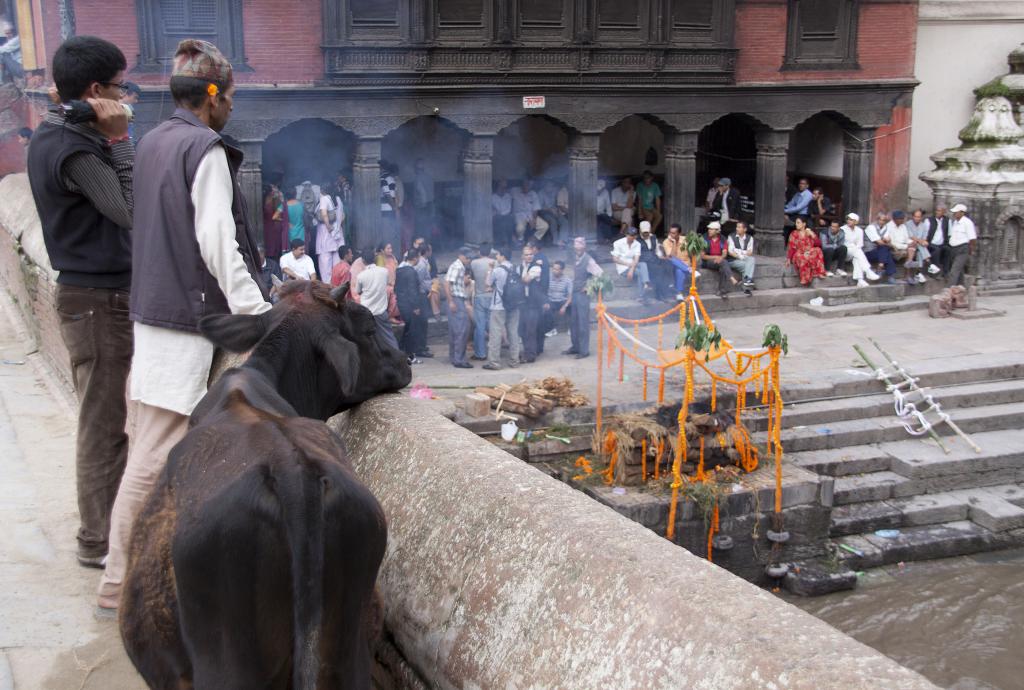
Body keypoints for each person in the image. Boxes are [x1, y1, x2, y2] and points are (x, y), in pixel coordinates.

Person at [99, 39, 271, 614]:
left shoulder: (151, 140)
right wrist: (257, 314)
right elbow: (219, 243)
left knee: (145, 444)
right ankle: (116, 586)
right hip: (181, 319)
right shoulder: (204, 147)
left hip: (153, 307)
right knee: (153, 454)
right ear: (214, 96)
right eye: (231, 98)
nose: (232, 110)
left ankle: (128, 577)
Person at [26, 35, 134, 572]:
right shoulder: (75, 148)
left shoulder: (57, 130)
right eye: (119, 86)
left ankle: (104, 529)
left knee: (108, 419)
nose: (126, 94)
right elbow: (130, 211)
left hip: (92, 295)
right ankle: (97, 539)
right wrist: (120, 140)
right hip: (97, 300)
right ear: (96, 91)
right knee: (102, 424)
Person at [563, 237, 603, 358]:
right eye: (576, 245)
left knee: (582, 323)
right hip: (573, 294)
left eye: (580, 245)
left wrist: (589, 286)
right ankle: (575, 346)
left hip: (582, 295)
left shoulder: (589, 260)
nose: (577, 248)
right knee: (573, 322)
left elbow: (600, 274)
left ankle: (584, 351)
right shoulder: (574, 258)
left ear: (584, 247)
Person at [483, 246, 521, 370]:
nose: (496, 257)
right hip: (514, 305)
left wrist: (490, 269)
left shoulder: (497, 270)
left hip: (499, 305)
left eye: (498, 254)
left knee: (495, 333)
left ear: (503, 256)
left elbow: (488, 283)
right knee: (513, 333)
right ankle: (515, 360)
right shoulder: (516, 268)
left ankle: (494, 362)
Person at [357, 247, 400, 350]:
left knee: (367, 340)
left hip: (366, 312)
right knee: (389, 338)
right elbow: (386, 284)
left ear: (363, 261)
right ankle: (398, 360)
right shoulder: (384, 271)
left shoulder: (361, 276)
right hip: (381, 312)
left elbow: (358, 291)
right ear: (374, 258)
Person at [396, 249, 427, 365]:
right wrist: (416, 306)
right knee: (411, 332)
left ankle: (403, 354)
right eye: (418, 258)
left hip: (402, 304)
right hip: (409, 306)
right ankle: (410, 356)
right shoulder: (411, 272)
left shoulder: (399, 269)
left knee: (407, 330)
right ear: (415, 258)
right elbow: (413, 291)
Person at [444, 246, 474, 369]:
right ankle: (459, 359)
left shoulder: (460, 267)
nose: (469, 260)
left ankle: (455, 357)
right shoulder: (457, 266)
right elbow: (446, 283)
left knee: (456, 330)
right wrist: (451, 301)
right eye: (467, 257)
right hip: (456, 299)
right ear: (461, 256)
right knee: (462, 329)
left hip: (458, 298)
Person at [611, 226, 653, 302]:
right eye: (629, 235)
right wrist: (629, 265)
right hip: (622, 267)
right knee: (640, 273)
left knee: (643, 264)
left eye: (633, 235)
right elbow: (615, 259)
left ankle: (646, 284)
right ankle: (641, 295)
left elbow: (636, 258)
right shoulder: (618, 243)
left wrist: (632, 268)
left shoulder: (637, 244)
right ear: (626, 235)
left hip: (632, 265)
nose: (631, 237)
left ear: (636, 236)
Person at [518, 245, 545, 363]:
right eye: (526, 255)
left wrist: (518, 277)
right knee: (523, 329)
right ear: (522, 256)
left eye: (530, 254)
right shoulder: (521, 267)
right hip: (523, 302)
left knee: (530, 330)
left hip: (533, 303)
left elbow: (526, 280)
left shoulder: (536, 268)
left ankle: (531, 355)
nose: (529, 256)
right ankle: (527, 351)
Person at [315, 181, 344, 280]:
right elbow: (343, 216)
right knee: (337, 265)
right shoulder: (338, 199)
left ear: (322, 190)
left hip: (326, 235)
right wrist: (337, 226)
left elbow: (323, 213)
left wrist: (328, 226)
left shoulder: (324, 198)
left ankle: (327, 289)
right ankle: (337, 287)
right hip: (337, 235)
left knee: (325, 266)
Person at [842, 212, 880, 287]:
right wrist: (853, 247)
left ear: (856, 222)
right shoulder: (842, 229)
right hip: (846, 252)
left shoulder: (859, 231)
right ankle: (868, 270)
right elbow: (842, 244)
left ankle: (860, 280)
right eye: (848, 219)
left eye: (851, 220)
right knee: (857, 252)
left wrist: (854, 247)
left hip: (855, 252)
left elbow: (860, 244)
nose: (849, 221)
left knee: (857, 258)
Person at [786, 216, 826, 286]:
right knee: (803, 257)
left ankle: (820, 272)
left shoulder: (809, 232)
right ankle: (805, 278)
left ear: (804, 224)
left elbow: (818, 244)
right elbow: (791, 247)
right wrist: (789, 258)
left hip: (809, 252)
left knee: (818, 250)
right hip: (799, 253)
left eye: (798, 223)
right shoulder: (794, 233)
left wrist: (812, 235)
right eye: (796, 223)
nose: (796, 224)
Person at [702, 221, 739, 297]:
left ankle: (722, 291)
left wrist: (720, 258)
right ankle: (732, 278)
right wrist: (716, 257)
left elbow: (724, 254)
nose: (709, 230)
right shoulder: (704, 238)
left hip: (720, 261)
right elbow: (703, 256)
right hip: (708, 261)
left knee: (723, 266)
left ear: (717, 231)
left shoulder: (723, 239)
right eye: (709, 229)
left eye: (711, 229)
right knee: (724, 262)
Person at [470, 243, 494, 361]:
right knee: (492, 325)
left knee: (480, 326)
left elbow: (472, 278)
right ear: (490, 252)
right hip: (492, 297)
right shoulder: (495, 262)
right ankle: (495, 351)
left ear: (479, 252)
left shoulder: (474, 263)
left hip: (480, 296)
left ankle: (481, 353)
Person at [637, 220, 672, 301]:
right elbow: (636, 254)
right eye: (644, 232)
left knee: (668, 263)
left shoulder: (653, 237)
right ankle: (659, 294)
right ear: (640, 231)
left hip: (655, 259)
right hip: (645, 262)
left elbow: (657, 250)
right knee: (659, 270)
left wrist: (662, 257)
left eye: (647, 232)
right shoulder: (637, 240)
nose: (646, 234)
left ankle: (669, 286)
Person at [947, 203, 977, 287]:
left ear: (962, 213)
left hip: (962, 248)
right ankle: (961, 289)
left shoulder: (967, 223)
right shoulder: (955, 222)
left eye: (956, 212)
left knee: (954, 270)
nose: (954, 214)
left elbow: (972, 238)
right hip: (953, 248)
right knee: (959, 271)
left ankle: (949, 290)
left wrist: (971, 250)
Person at [864, 211, 898, 283]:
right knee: (885, 249)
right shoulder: (871, 227)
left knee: (886, 250)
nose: (882, 222)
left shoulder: (885, 227)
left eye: (884, 220)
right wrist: (891, 245)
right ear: (877, 219)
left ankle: (881, 266)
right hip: (869, 252)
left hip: (880, 252)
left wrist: (887, 242)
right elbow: (880, 242)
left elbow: (888, 239)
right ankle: (889, 274)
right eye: (881, 220)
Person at [663, 223, 694, 301]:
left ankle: (679, 293)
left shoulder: (686, 240)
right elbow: (672, 256)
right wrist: (673, 242)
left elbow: (693, 253)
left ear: (679, 233)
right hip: (672, 266)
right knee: (671, 259)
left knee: (679, 270)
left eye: (673, 233)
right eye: (670, 232)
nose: (671, 235)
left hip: (684, 264)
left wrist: (693, 264)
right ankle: (689, 270)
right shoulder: (666, 242)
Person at [905, 208, 934, 283]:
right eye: (915, 216)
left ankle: (918, 274)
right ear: (913, 216)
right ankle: (928, 262)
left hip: (919, 245)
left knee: (920, 250)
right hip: (910, 243)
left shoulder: (923, 225)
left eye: (919, 217)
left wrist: (923, 242)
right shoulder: (908, 224)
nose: (917, 218)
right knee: (919, 245)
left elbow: (924, 237)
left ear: (921, 217)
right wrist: (921, 241)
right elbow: (910, 236)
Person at [727, 221, 757, 294]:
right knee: (748, 266)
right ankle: (748, 283)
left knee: (751, 259)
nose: (737, 229)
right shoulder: (731, 237)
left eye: (739, 227)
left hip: (744, 258)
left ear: (745, 229)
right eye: (737, 227)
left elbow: (750, 252)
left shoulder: (750, 238)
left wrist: (737, 251)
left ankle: (747, 283)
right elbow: (730, 252)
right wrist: (742, 253)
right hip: (733, 260)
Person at [544, 260, 571, 338]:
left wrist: (565, 306)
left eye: (556, 269)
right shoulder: (548, 278)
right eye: (553, 268)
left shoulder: (567, 280)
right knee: (546, 309)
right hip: (551, 300)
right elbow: (543, 291)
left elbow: (570, 295)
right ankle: (552, 329)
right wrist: (545, 302)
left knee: (572, 306)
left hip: (562, 300)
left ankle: (571, 327)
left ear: (562, 270)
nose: (554, 271)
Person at [512, 178, 544, 244]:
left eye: (529, 185)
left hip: (531, 215)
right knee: (520, 228)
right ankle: (520, 241)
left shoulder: (533, 194)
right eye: (526, 184)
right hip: (519, 215)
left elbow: (535, 208)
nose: (527, 186)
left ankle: (531, 241)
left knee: (544, 226)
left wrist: (534, 220)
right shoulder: (514, 191)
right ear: (522, 184)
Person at [262, 183, 287, 259]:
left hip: (271, 224)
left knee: (272, 243)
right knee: (273, 244)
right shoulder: (273, 199)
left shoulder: (271, 198)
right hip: (272, 225)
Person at [412, 158, 435, 238]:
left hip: (422, 206)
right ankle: (428, 245)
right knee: (428, 226)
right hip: (430, 205)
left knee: (421, 227)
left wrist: (423, 204)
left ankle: (423, 247)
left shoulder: (417, 178)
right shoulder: (429, 177)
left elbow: (422, 192)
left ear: (416, 168)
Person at [929, 205, 951, 275]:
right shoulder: (929, 220)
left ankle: (945, 272)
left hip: (942, 244)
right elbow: (926, 233)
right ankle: (934, 273)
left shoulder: (947, 220)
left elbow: (950, 233)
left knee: (948, 249)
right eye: (936, 210)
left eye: (939, 211)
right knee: (936, 251)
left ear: (943, 212)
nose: (937, 212)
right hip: (931, 243)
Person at [492, 179, 514, 248]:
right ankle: (506, 243)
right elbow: (494, 210)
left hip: (507, 216)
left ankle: (507, 242)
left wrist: (506, 214)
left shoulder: (508, 196)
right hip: (497, 217)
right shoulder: (492, 197)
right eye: (502, 187)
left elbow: (509, 209)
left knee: (508, 221)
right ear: (497, 187)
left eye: (505, 187)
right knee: (501, 221)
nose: (504, 189)